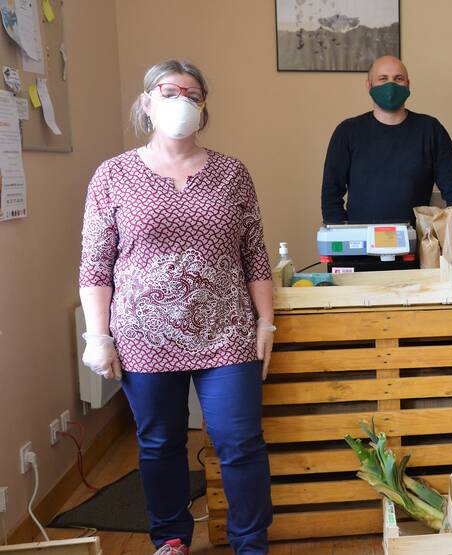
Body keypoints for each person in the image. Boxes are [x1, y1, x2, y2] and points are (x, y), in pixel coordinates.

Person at [78, 60, 274, 555]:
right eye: (169, 92)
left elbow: (255, 255)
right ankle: (170, 538)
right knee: (160, 444)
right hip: (143, 336)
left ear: (204, 105)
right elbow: (96, 264)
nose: (181, 101)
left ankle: (251, 544)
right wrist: (97, 337)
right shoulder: (113, 174)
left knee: (239, 441)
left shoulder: (233, 173)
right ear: (147, 102)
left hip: (227, 330)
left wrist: (266, 323)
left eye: (193, 93)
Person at [320, 55, 452, 225]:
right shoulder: (347, 132)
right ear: (369, 85)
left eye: (398, 79)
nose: (391, 86)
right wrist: (340, 234)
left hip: (416, 238)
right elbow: (331, 194)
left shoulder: (431, 130)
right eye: (383, 79)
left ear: (408, 84)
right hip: (361, 238)